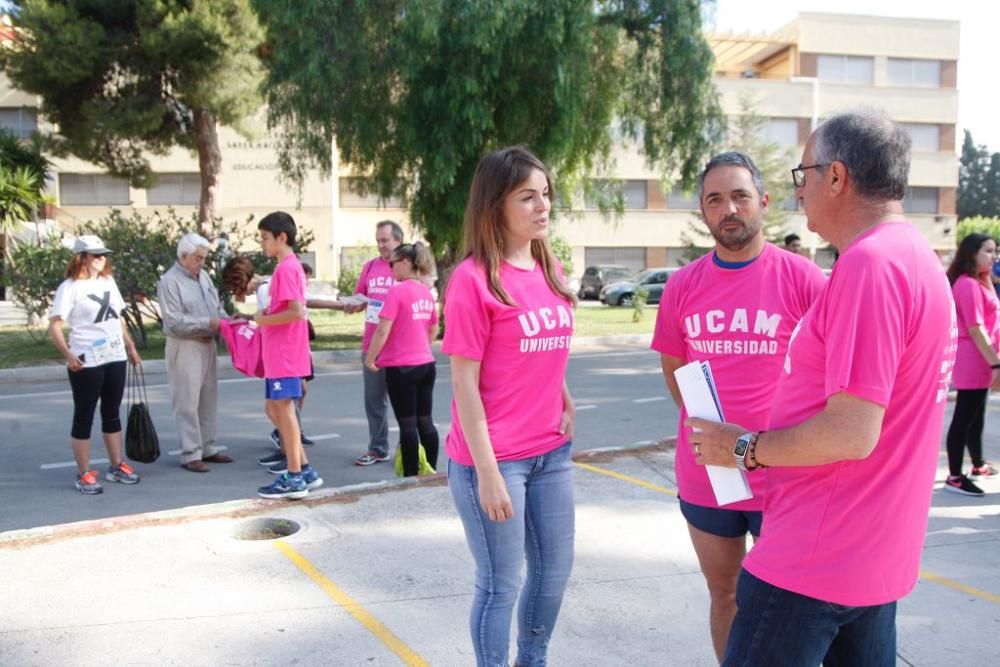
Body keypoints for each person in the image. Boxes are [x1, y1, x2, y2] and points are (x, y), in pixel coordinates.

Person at [688, 111, 956, 666]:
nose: (800, 189)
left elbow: (852, 431)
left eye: (803, 173)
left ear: (836, 177)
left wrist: (742, 447)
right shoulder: (918, 259)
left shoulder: (870, 266)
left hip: (815, 558)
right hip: (872, 555)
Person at [652, 151, 825, 661]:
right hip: (709, 475)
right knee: (724, 594)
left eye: (740, 196)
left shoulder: (804, 280)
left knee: (790, 606)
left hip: (784, 474)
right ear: (704, 212)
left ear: (764, 203)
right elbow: (674, 371)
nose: (729, 208)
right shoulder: (682, 286)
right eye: (715, 199)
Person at [444, 146, 577, 666]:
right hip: (496, 460)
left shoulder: (550, 266)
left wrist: (563, 394)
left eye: (545, 195)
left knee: (553, 574)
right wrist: (489, 472)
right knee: (501, 584)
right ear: (495, 205)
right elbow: (464, 385)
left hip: (552, 453)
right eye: (528, 197)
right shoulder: (473, 280)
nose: (543, 206)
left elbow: (544, 345)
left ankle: (534, 660)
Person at [48, 235, 141, 494]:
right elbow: (55, 324)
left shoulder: (108, 282)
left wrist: (131, 347)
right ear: (82, 258)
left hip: (114, 355)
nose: (101, 259)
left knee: (111, 412)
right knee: (84, 415)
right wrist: (68, 354)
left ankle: (117, 464)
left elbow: (118, 318)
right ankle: (84, 473)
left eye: (103, 254)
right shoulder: (70, 287)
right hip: (86, 358)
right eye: (95, 254)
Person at [247, 212, 323, 499]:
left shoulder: (287, 268)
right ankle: (303, 469)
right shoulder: (285, 268)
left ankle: (294, 476)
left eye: (266, 238)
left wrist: (263, 320)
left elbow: (295, 311)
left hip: (286, 354)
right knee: (277, 409)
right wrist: (267, 315)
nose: (263, 244)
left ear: (282, 238)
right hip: (280, 353)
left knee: (284, 411)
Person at [157, 233, 233, 473]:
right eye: (197, 258)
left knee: (209, 397)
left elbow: (217, 307)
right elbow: (174, 321)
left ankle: (208, 446)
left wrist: (230, 323)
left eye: (203, 258)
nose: (201, 262)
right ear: (183, 256)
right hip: (185, 344)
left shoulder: (204, 278)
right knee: (187, 400)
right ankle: (190, 452)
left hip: (207, 343)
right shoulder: (170, 281)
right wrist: (208, 323)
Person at [364, 242, 440, 477]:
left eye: (392, 263)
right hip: (426, 364)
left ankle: (410, 478)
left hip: (401, 367)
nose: (390, 268)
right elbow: (434, 329)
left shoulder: (397, 291)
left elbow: (382, 330)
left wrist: (370, 358)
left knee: (407, 425)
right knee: (425, 421)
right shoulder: (426, 292)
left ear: (406, 263)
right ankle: (431, 471)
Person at [943, 232, 1000, 496]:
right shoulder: (966, 285)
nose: (994, 256)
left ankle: (977, 464)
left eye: (995, 250)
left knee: (976, 416)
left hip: (982, 359)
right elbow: (976, 328)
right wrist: (996, 364)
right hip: (975, 358)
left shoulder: (980, 282)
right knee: (964, 418)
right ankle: (955, 476)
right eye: (988, 251)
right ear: (971, 253)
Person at [351, 220, 403, 466]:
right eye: (378, 240)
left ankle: (408, 450)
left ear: (398, 240)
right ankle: (378, 448)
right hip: (372, 344)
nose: (381, 245)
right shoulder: (371, 266)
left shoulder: (406, 267)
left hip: (400, 347)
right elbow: (359, 296)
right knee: (374, 401)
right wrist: (353, 303)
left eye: (385, 240)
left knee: (403, 402)